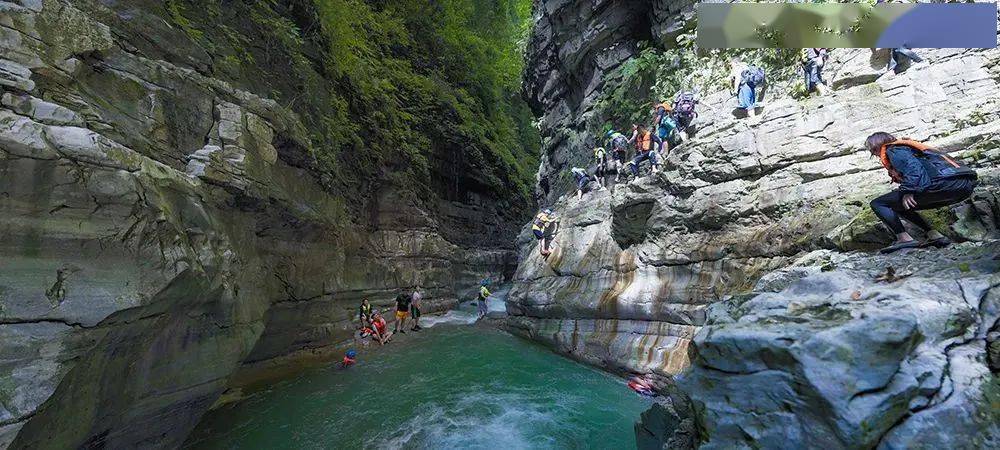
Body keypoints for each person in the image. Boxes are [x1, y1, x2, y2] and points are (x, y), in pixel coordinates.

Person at [863, 132, 978, 254]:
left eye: (873, 150)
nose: (875, 154)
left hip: (945, 185)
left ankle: (904, 239)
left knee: (878, 203)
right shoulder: (908, 149)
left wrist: (908, 190)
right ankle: (934, 235)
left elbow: (914, 169)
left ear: (877, 145)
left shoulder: (894, 150)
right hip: (963, 187)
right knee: (900, 203)